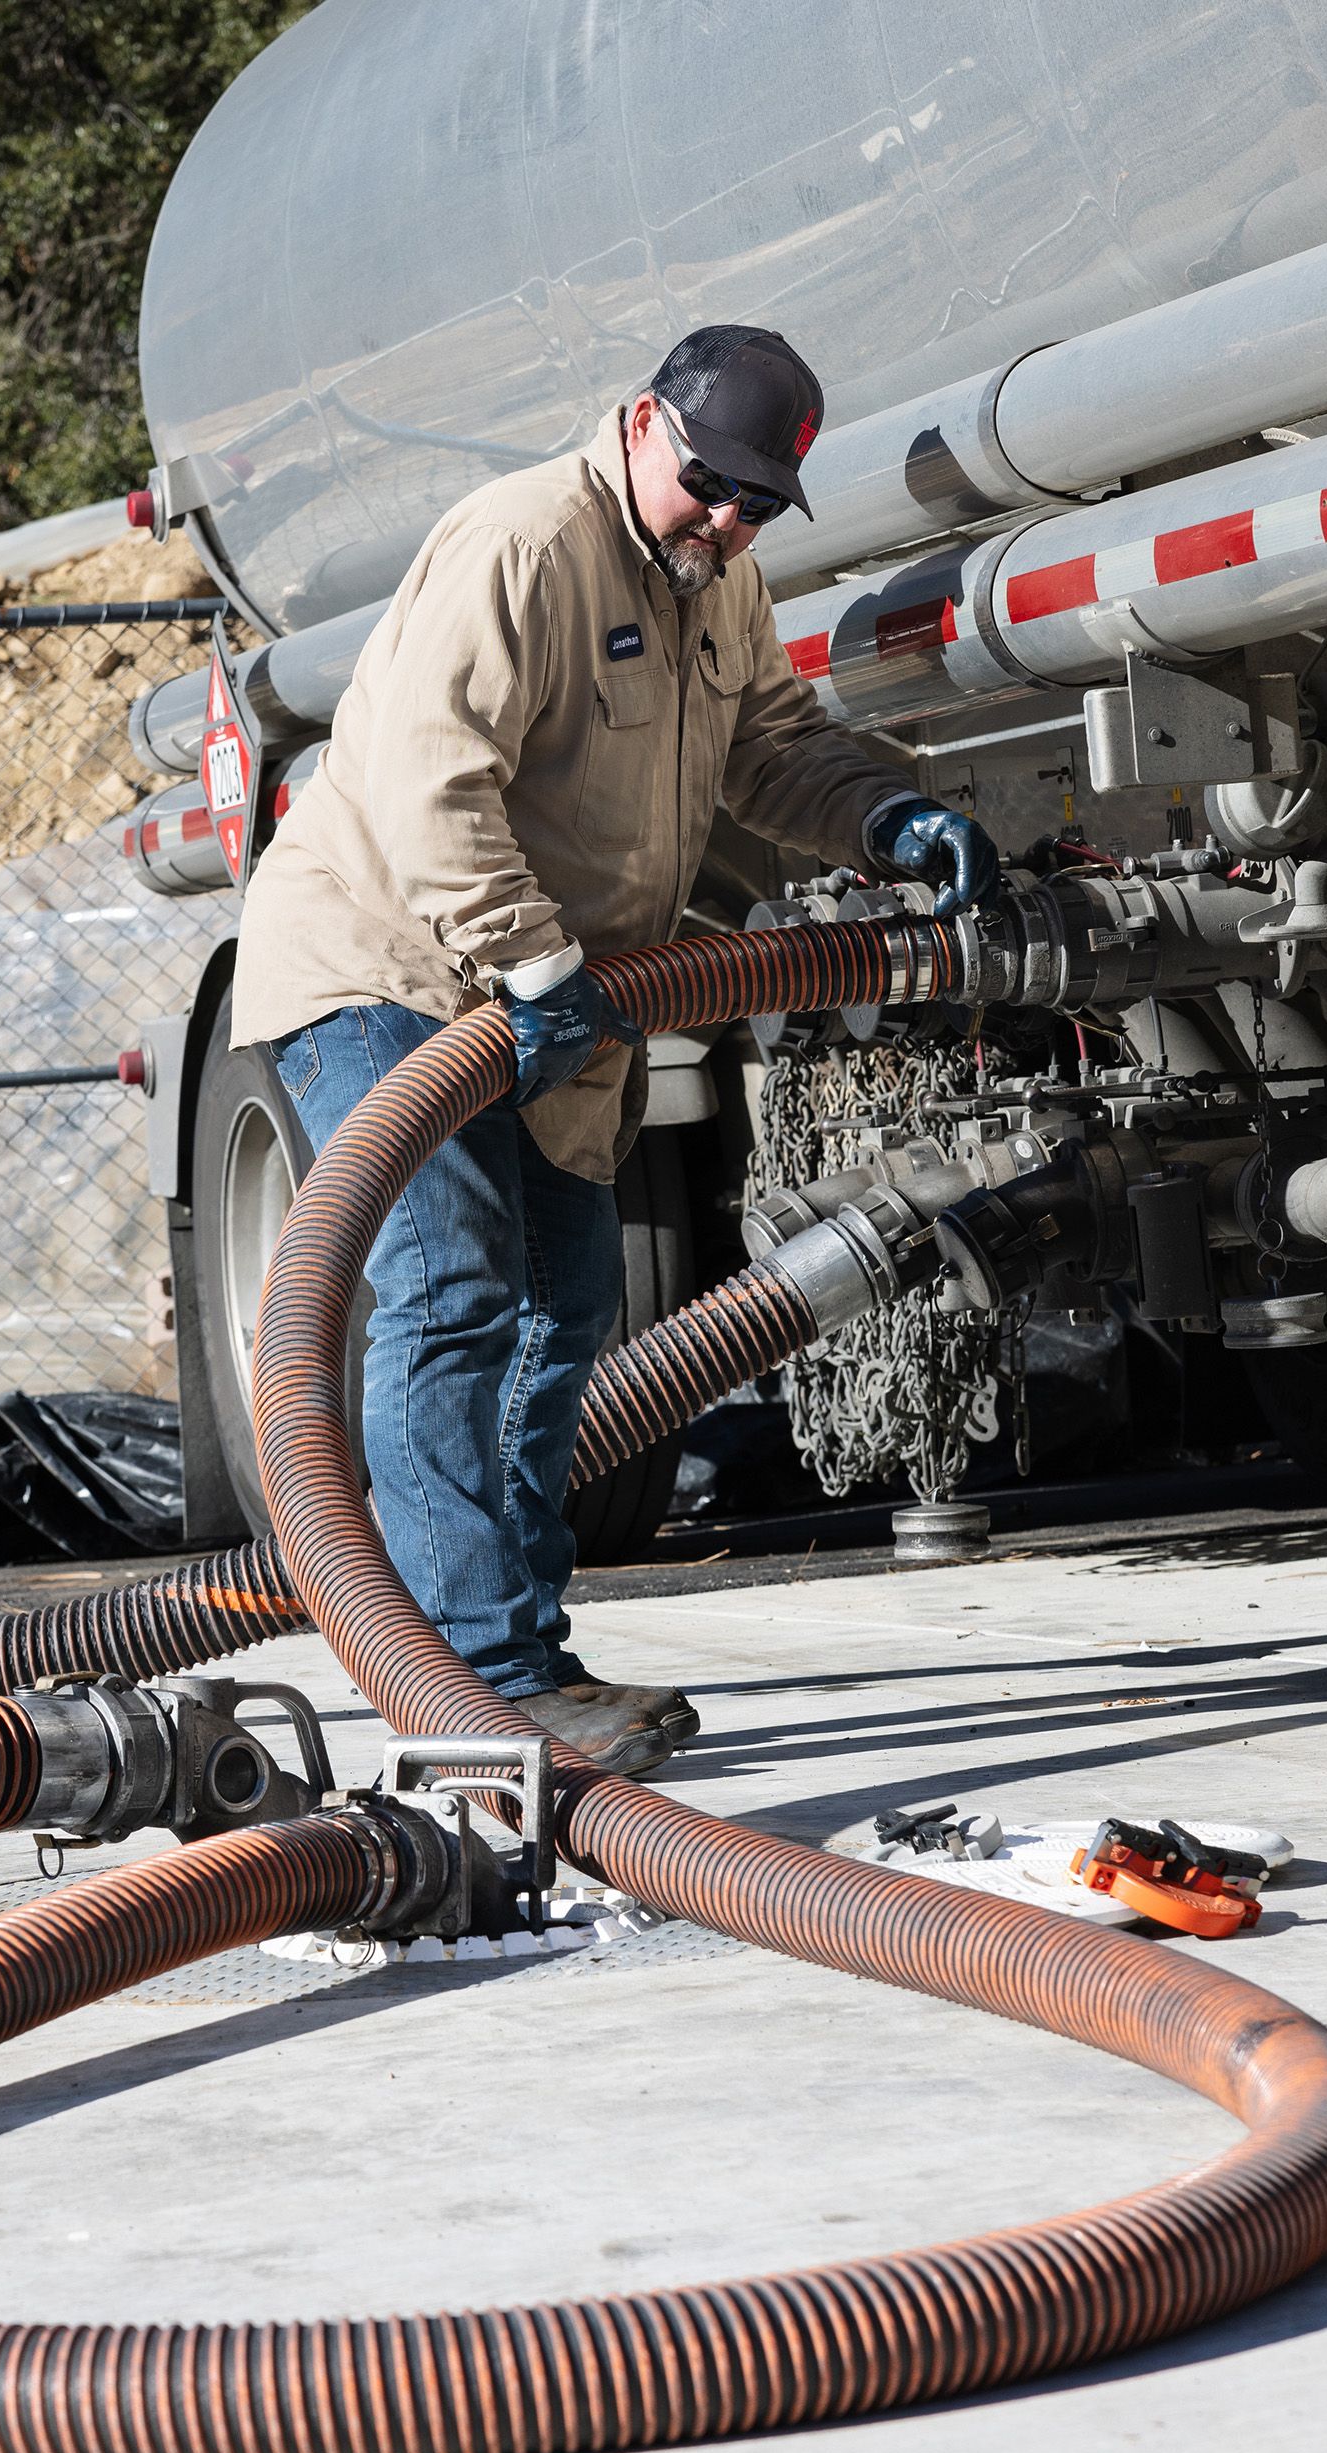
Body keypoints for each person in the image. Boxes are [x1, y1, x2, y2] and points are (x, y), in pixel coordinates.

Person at [230, 323, 1004, 1774]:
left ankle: (518, 1652)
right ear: (645, 424)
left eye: (759, 504)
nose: (729, 519)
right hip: (387, 964)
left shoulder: (717, 579)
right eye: (712, 485)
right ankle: (474, 1684)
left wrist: (887, 817)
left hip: (552, 991)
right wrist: (536, 964)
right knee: (457, 1294)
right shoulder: (524, 544)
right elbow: (425, 783)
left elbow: (770, 748)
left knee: (563, 1309)